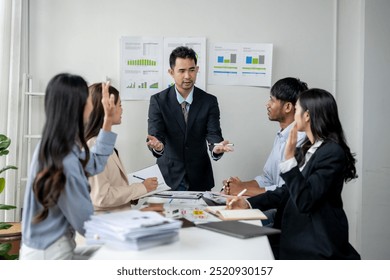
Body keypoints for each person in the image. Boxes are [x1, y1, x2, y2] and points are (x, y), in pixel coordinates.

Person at [227, 88, 361, 260]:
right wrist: (248, 204)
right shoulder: (308, 148)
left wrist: (289, 160)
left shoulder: (332, 152)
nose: (294, 114)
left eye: (297, 109)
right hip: (293, 236)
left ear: (307, 115)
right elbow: (287, 191)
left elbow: (306, 200)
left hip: (316, 244)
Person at [20, 74, 117, 260]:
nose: (92, 104)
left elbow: (93, 164)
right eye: (88, 99)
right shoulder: (65, 159)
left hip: (42, 249)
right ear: (78, 106)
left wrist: (107, 122)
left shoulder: (55, 146)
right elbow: (86, 222)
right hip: (50, 253)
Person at [146, 46, 233, 191]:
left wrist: (216, 148)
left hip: (200, 177)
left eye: (192, 70)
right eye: (181, 71)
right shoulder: (158, 101)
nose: (187, 76)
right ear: (171, 72)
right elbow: (156, 134)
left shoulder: (209, 101)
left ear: (197, 70)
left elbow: (213, 134)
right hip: (169, 177)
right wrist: (158, 145)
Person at [223, 77, 308, 197]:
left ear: (288, 107)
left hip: (286, 210)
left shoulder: (300, 140)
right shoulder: (281, 136)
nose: (267, 104)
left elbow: (285, 191)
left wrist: (243, 190)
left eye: (272, 100)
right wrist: (239, 186)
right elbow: (267, 179)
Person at [85, 83, 158, 211]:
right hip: (106, 224)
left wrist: (138, 193)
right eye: (119, 105)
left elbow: (113, 186)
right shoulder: (94, 145)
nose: (122, 109)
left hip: (118, 218)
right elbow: (102, 197)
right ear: (106, 109)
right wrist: (140, 188)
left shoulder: (106, 144)